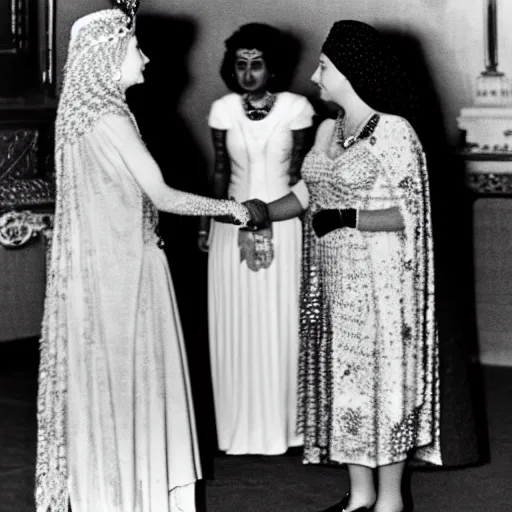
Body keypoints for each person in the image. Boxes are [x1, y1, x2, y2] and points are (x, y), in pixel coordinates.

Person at [34, 3, 250, 511]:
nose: (146, 58)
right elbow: (165, 197)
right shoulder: (109, 115)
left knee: (108, 390)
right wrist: (237, 210)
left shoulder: (78, 118)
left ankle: (109, 492)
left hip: (95, 277)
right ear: (110, 55)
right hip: (128, 272)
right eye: (136, 47)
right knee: (139, 390)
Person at [245, 20, 441, 512]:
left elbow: (410, 215)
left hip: (382, 283)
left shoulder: (395, 132)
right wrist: (263, 211)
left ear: (351, 71)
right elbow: (309, 194)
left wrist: (349, 217)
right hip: (334, 281)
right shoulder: (331, 128)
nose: (315, 77)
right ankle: (360, 497)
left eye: (325, 67)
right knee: (346, 383)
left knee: (382, 384)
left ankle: (391, 502)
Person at [198, 23, 315, 455]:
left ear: (273, 67)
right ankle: (237, 429)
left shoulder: (297, 108)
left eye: (257, 64)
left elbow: (304, 175)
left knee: (280, 321)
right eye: (240, 65)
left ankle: (288, 428)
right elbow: (220, 171)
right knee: (238, 321)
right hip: (232, 227)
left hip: (286, 226)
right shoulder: (223, 109)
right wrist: (208, 223)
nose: (248, 73)